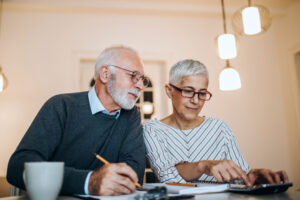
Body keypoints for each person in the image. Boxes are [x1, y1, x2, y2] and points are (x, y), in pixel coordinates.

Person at [7, 46, 149, 196]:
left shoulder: (131, 116)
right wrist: (88, 182)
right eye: (133, 76)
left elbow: (133, 175)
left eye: (141, 79)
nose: (140, 86)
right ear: (105, 74)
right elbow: (17, 167)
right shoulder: (61, 106)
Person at [143, 59, 289, 186]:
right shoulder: (152, 130)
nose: (195, 100)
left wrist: (255, 175)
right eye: (188, 91)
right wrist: (203, 166)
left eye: (202, 93)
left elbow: (240, 177)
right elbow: (168, 179)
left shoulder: (220, 128)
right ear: (169, 90)